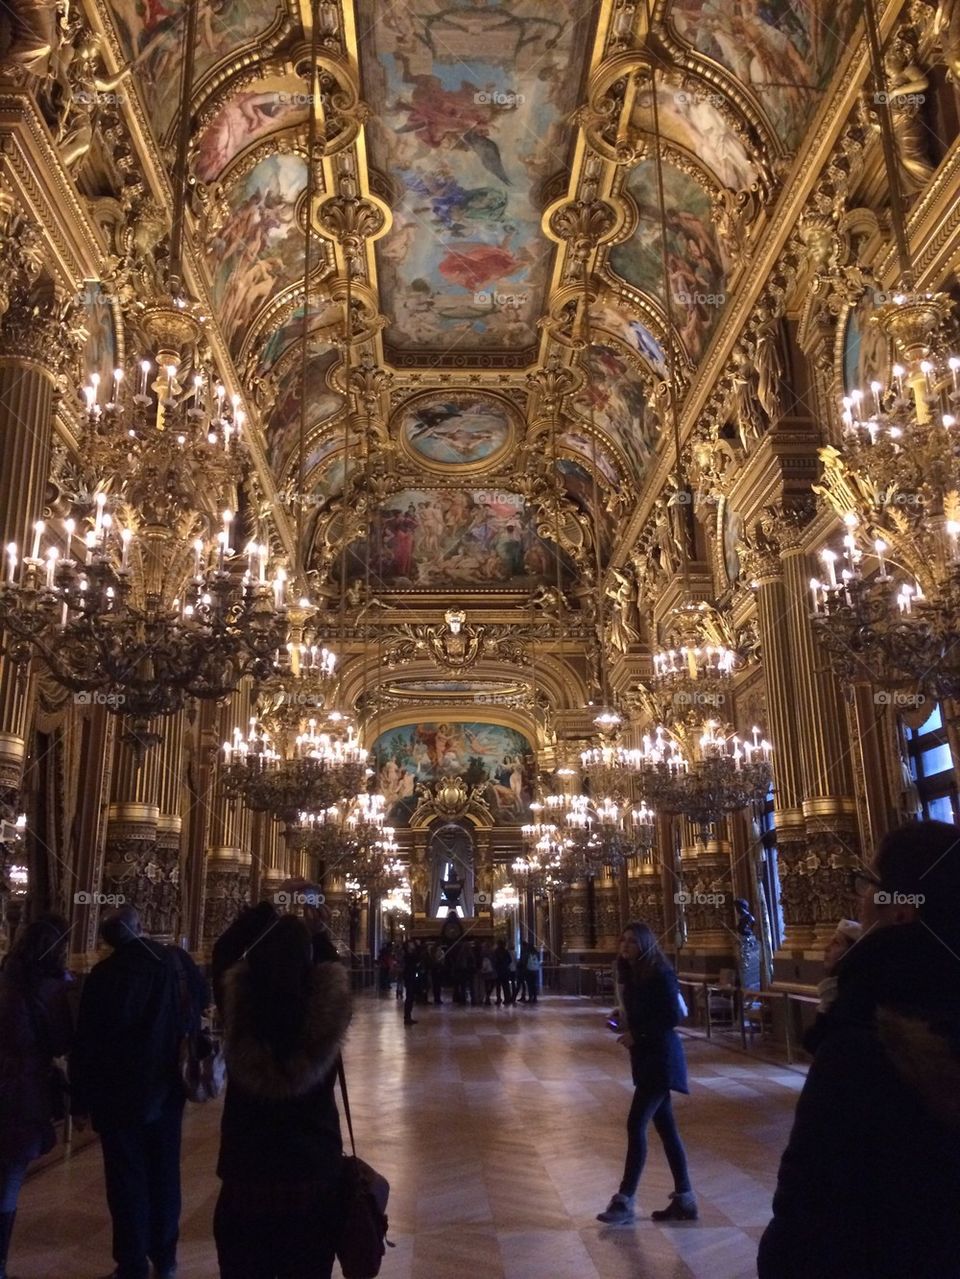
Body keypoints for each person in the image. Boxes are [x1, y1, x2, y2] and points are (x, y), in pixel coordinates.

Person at [758, 822, 960, 1278]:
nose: (859, 896)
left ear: (902, 909)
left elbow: (804, 1227)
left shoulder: (862, 1049)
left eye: (868, 882)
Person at [71, 906, 208, 1279]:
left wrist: (79, 1102)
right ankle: (166, 1258)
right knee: (165, 1174)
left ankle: (131, 1263)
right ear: (141, 928)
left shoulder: (102, 976)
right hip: (166, 1090)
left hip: (117, 1096)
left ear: (107, 941)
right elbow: (201, 1003)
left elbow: (86, 1044)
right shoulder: (176, 963)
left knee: (125, 1181)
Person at [214, 913, 351, 1279]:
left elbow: (222, 951)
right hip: (311, 1170)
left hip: (248, 1170)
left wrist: (267, 911)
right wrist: (318, 930)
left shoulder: (238, 1006)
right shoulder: (326, 1016)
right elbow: (336, 971)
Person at [598, 922, 696, 1225]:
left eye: (631, 941)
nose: (625, 946)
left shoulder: (659, 974)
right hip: (647, 1059)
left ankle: (624, 1200)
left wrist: (637, 1034)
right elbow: (647, 1015)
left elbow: (672, 1016)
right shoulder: (632, 975)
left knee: (635, 1123)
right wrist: (623, 1020)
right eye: (622, 940)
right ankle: (685, 1199)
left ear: (645, 944)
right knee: (667, 1130)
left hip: (661, 1060)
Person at [0, 915, 73, 1279]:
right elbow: (61, 1041)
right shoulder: (48, 988)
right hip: (22, 1093)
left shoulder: (6, 976)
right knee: (9, 1179)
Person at [401, 940, 419, 1025]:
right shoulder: (407, 955)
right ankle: (407, 1017)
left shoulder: (410, 954)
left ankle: (408, 1016)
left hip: (411, 976)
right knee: (409, 997)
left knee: (411, 997)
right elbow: (415, 959)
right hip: (409, 977)